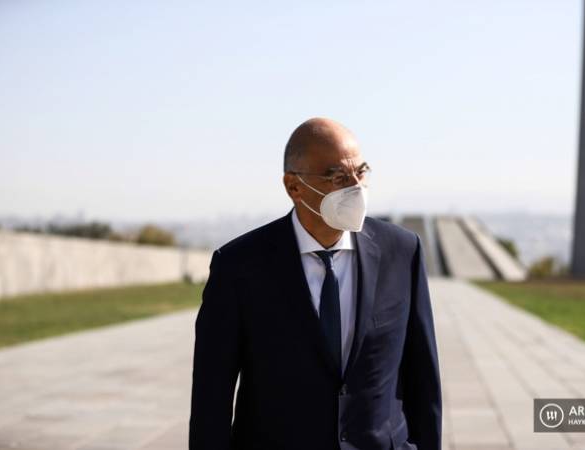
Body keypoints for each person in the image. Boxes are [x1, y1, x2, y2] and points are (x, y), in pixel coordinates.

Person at [189, 117, 442, 450]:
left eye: (361, 172)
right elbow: (211, 396)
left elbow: (423, 378)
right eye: (338, 177)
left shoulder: (402, 251)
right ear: (293, 186)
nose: (355, 187)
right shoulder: (239, 266)